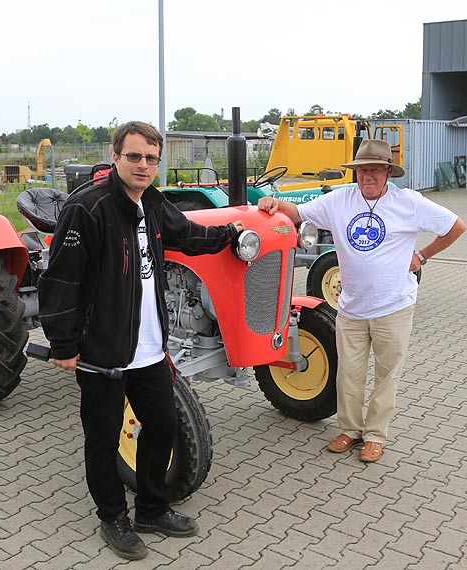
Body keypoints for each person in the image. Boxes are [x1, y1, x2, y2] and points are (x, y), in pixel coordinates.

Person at [38, 121, 244, 560]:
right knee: (104, 436)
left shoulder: (152, 201)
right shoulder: (87, 208)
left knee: (164, 426)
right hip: (103, 348)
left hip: (149, 347)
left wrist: (230, 233)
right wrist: (64, 344)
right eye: (135, 156)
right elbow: (60, 279)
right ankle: (112, 516)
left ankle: (151, 507)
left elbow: (187, 234)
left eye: (152, 158)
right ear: (116, 157)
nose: (144, 165)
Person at [258, 139, 466, 463]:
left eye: (375, 170)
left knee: (387, 374)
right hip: (351, 308)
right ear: (356, 172)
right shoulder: (339, 201)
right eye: (363, 170)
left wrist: (422, 255)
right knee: (348, 374)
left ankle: (375, 436)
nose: (368, 176)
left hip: (394, 307)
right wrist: (272, 203)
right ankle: (350, 430)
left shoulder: (408, 202)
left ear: (387, 173)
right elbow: (298, 213)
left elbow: (456, 226)